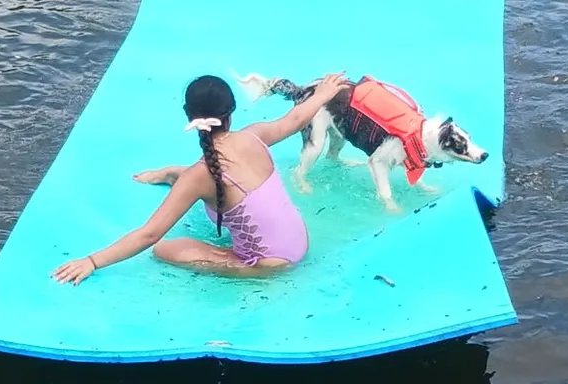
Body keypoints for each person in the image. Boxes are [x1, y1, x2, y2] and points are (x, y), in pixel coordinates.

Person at [53, 72, 348, 283]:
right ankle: (171, 173)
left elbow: (150, 234)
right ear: (230, 113)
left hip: (272, 266)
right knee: (215, 182)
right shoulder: (254, 135)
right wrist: (323, 93)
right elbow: (294, 119)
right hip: (300, 241)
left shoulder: (199, 175)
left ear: (189, 116)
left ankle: (173, 176)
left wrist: (92, 261)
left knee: (165, 249)